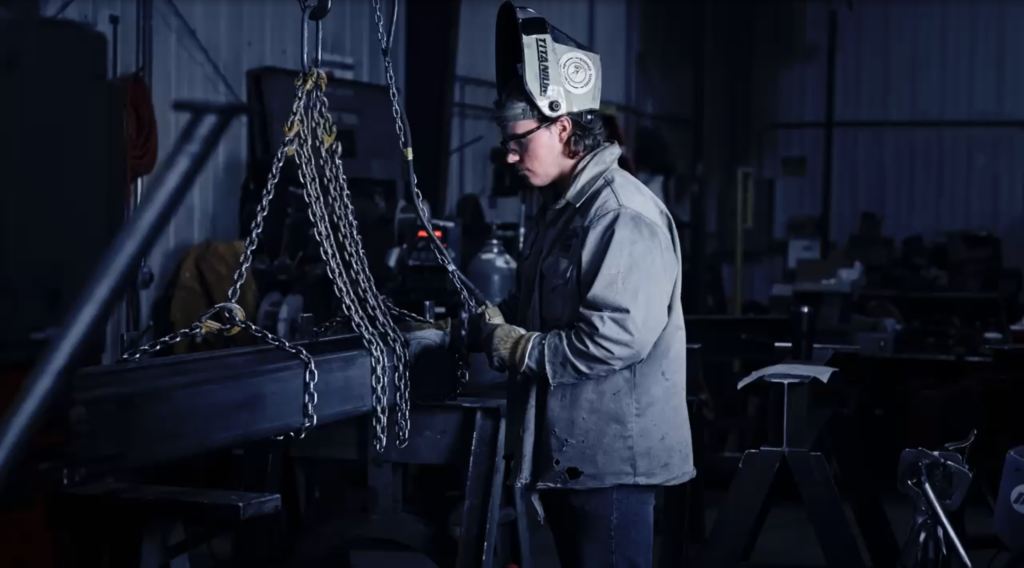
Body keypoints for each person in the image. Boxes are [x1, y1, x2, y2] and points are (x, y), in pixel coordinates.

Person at [469, 3, 694, 566]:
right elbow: (551, 309)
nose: (510, 153)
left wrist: (520, 347)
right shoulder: (564, 211)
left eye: (519, 138)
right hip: (578, 454)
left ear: (563, 126)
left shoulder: (620, 214)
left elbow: (615, 338)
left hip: (614, 461)